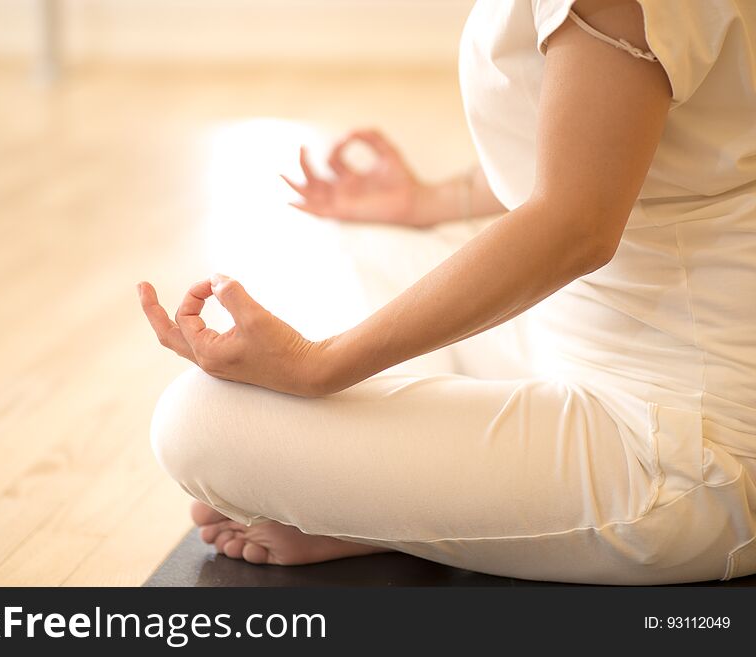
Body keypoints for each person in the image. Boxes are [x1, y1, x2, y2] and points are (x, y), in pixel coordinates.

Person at [138, 0, 756, 584]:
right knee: (361, 241)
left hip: (683, 448)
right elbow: (605, 147)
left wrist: (315, 367)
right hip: (573, 335)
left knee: (195, 422)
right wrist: (427, 201)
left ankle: (393, 509)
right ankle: (416, 493)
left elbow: (577, 227)